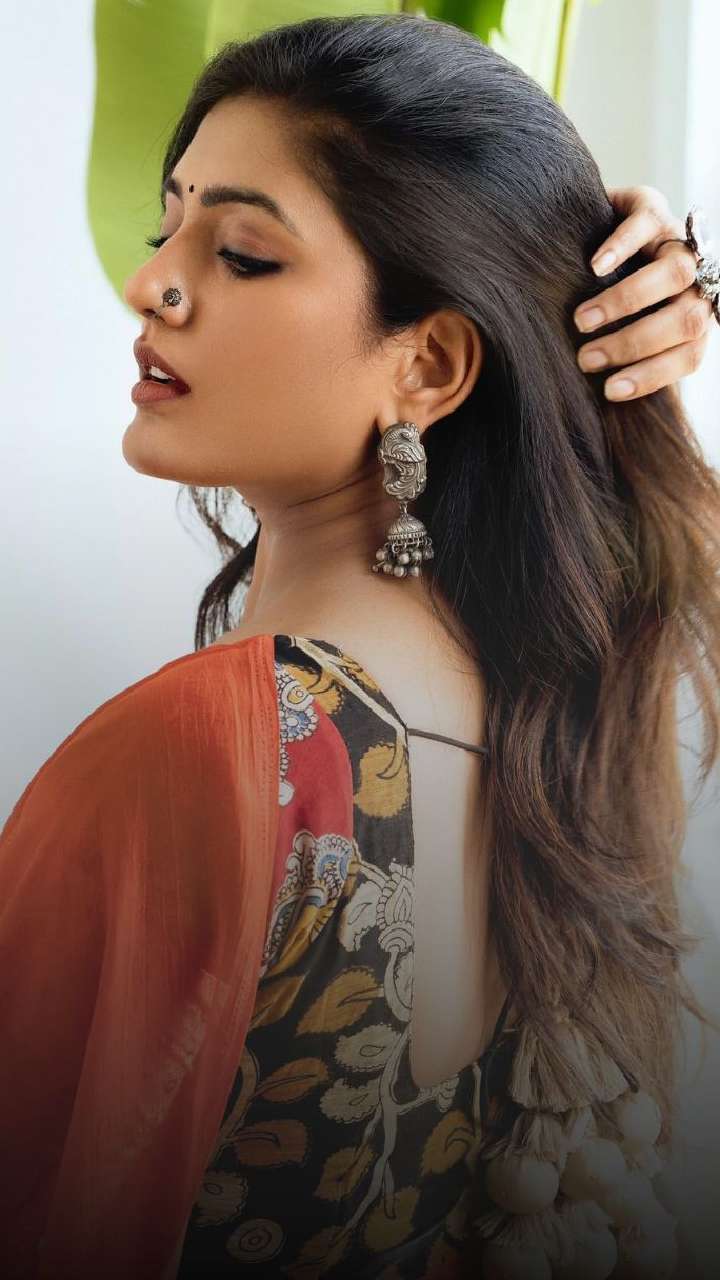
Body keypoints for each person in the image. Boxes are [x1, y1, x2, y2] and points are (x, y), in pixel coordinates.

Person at [1, 13, 718, 1280]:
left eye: (241, 253)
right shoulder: (560, 736)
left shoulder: (217, 746)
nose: (152, 283)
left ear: (430, 364)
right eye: (167, 226)